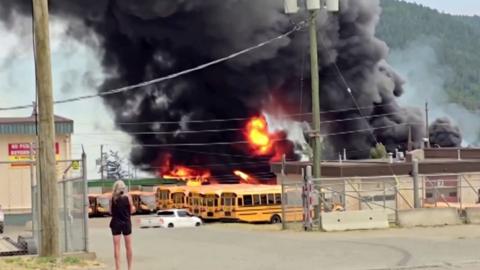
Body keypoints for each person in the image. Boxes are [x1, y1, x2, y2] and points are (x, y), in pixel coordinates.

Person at [109, 180, 135, 270]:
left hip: (115, 223)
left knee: (116, 247)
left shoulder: (112, 197)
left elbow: (110, 211)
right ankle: (130, 268)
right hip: (126, 223)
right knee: (128, 246)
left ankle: (118, 268)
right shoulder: (128, 197)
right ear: (124, 188)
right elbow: (132, 210)